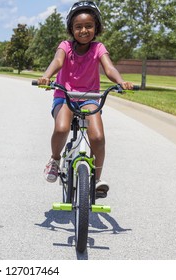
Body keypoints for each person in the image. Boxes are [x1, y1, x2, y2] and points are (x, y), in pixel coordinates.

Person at [37, 1, 133, 198]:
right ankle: (55, 160)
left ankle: (96, 179)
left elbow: (109, 68)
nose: (83, 30)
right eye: (78, 26)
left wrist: (121, 81)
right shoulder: (65, 46)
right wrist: (47, 76)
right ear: (71, 29)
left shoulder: (98, 48)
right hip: (65, 96)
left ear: (96, 27)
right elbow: (57, 61)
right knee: (62, 128)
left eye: (89, 26)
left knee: (97, 137)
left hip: (90, 98)